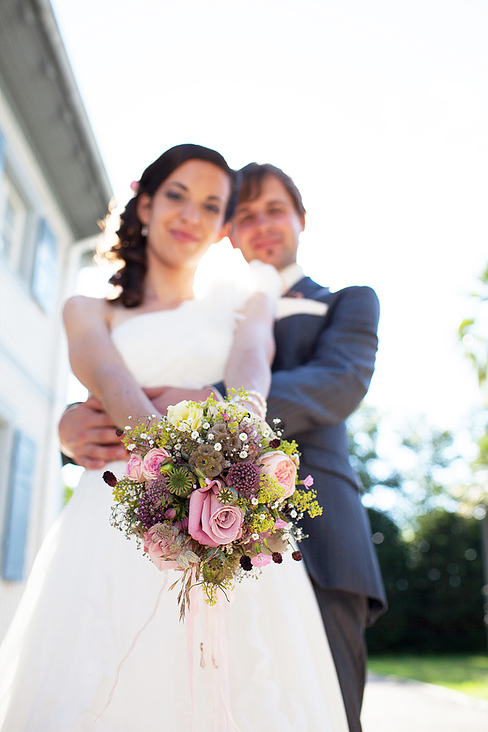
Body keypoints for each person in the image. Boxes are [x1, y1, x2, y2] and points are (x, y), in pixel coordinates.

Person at [0, 145, 349, 731]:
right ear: (145, 203)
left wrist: (237, 450)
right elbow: (109, 378)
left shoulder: (249, 298)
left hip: (233, 501)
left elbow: (249, 368)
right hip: (114, 511)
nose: (191, 215)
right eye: (178, 196)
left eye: (211, 206)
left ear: (221, 229)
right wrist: (167, 465)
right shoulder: (89, 309)